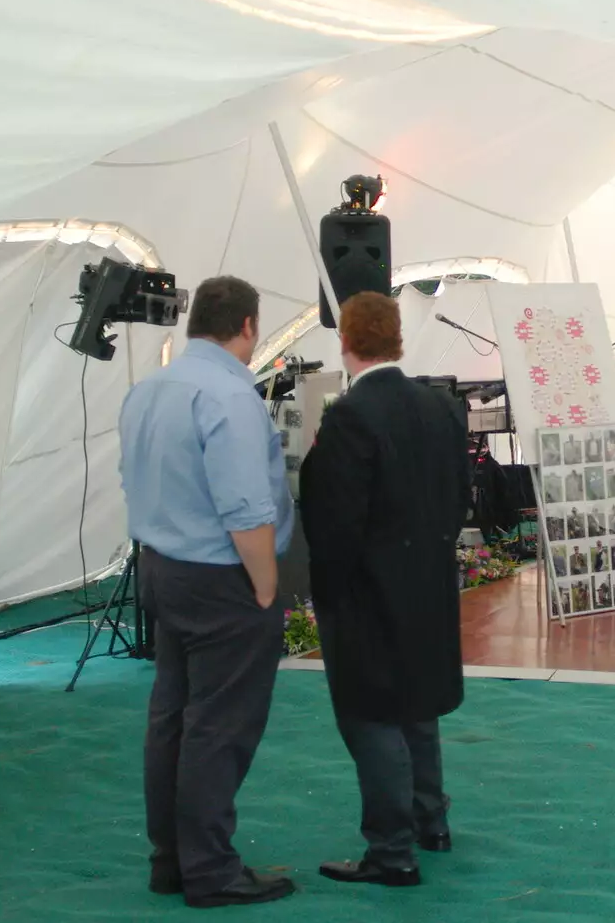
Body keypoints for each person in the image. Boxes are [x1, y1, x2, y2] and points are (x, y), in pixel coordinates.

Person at [119, 276, 296, 908]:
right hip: (222, 578)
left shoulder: (150, 389)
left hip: (162, 567)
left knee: (172, 719)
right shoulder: (230, 394)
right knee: (219, 728)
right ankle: (211, 870)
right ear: (248, 326)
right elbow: (246, 507)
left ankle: (171, 859)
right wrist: (267, 585)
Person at [300, 292, 471, 888]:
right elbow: (462, 498)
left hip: (369, 593)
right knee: (417, 705)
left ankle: (392, 850)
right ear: (398, 337)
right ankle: (432, 821)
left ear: (344, 341)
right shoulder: (441, 408)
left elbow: (334, 524)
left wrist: (327, 598)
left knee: (370, 716)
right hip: (428, 583)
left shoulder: (349, 417)